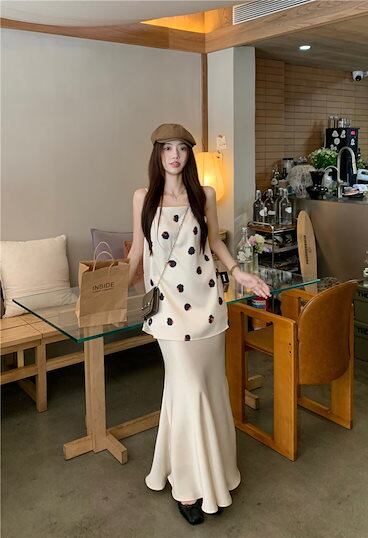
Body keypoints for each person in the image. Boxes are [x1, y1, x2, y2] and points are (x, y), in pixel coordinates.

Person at [128, 123, 270, 525]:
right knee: (188, 388)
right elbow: (137, 251)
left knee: (207, 388)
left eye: (182, 148)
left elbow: (214, 242)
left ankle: (216, 472)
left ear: (189, 154)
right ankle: (188, 487)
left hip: (207, 304)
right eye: (167, 148)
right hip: (167, 311)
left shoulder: (203, 194)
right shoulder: (143, 198)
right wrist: (108, 291)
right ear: (157, 154)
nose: (175, 155)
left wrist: (239, 273)